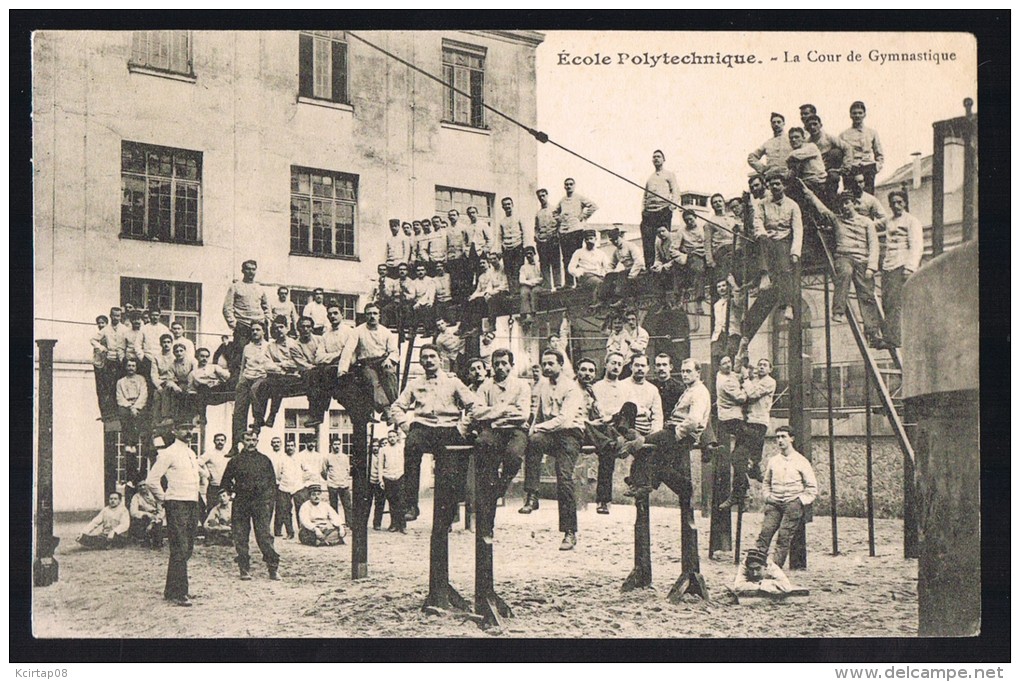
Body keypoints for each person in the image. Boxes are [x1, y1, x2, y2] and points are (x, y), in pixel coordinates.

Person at [390, 344, 476, 523]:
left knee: (450, 468)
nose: (428, 360)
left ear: (440, 359)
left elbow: (474, 406)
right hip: (423, 427)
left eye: (432, 356)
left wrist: (462, 426)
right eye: (424, 357)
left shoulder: (453, 382)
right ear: (420, 361)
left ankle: (451, 510)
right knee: (411, 445)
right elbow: (397, 407)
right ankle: (411, 504)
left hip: (448, 427)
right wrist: (406, 426)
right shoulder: (415, 383)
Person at [522, 349, 586, 550]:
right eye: (544, 364)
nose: (547, 367)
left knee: (564, 477)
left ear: (560, 365)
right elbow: (539, 415)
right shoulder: (542, 386)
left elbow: (564, 420)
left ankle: (569, 532)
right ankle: (532, 495)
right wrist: (533, 428)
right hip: (550, 433)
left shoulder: (571, 388)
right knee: (533, 441)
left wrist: (539, 428)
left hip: (570, 434)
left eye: (551, 364)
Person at [736, 170, 804, 359]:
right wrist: (761, 234)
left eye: (778, 184)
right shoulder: (762, 204)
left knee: (784, 266)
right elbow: (757, 222)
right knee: (763, 242)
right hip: (767, 240)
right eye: (772, 184)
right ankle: (764, 276)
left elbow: (797, 229)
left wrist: (795, 252)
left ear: (783, 186)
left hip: (783, 241)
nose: (775, 187)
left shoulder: (792, 206)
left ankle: (787, 304)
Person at [807, 189, 886, 347]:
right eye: (841, 204)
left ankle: (872, 331)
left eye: (847, 202)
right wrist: (808, 192)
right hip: (845, 257)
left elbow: (874, 245)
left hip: (863, 260)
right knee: (844, 272)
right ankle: (838, 311)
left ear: (854, 204)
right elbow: (821, 208)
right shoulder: (837, 220)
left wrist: (871, 266)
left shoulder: (867, 222)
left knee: (866, 294)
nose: (844, 207)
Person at [468, 348, 531, 539]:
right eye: (496, 364)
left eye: (504, 363)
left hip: (515, 430)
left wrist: (494, 412)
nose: (500, 367)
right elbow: (477, 412)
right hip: (493, 431)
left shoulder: (522, 386)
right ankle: (487, 527)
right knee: (486, 472)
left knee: (513, 456)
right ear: (492, 366)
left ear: (511, 365)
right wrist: (505, 411)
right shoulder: (485, 387)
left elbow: (523, 414)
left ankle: (501, 488)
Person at [626, 358, 710, 498]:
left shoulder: (699, 392)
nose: (684, 374)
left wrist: (677, 433)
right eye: (683, 371)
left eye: (689, 371)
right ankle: (680, 486)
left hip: (681, 434)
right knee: (659, 463)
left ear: (698, 373)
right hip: (677, 432)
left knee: (642, 444)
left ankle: (641, 483)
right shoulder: (691, 389)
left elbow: (694, 420)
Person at [146, 421, 207, 606]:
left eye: (190, 428)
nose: (188, 432)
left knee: (187, 547)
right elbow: (152, 480)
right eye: (184, 428)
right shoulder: (168, 453)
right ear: (174, 431)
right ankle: (181, 592)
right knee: (180, 547)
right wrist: (165, 499)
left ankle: (171, 589)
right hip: (176, 504)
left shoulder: (190, 453)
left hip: (192, 502)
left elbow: (199, 476)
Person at [221, 429, 280, 580]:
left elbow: (272, 484)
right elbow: (225, 482)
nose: (251, 443)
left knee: (264, 536)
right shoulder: (235, 461)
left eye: (254, 440)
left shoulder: (264, 460)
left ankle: (273, 568)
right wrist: (231, 493)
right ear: (242, 442)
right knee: (240, 536)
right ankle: (244, 569)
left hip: (260, 503)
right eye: (248, 440)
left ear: (257, 441)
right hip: (241, 502)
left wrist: (268, 502)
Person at [755, 426, 818, 568]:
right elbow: (766, 482)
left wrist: (799, 501)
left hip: (792, 504)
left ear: (792, 439)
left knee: (783, 538)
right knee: (764, 535)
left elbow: (812, 488)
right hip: (774, 503)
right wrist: (768, 497)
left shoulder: (801, 461)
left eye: (783, 436)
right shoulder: (773, 461)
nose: (780, 440)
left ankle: (774, 570)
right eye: (777, 437)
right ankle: (756, 568)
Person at [584, 353, 637, 514]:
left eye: (619, 364)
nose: (616, 367)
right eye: (613, 363)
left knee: (629, 406)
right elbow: (593, 412)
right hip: (603, 428)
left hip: (620, 424)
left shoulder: (626, 387)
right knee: (608, 454)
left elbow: (633, 409)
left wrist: (615, 417)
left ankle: (619, 434)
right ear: (606, 364)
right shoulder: (596, 386)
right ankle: (604, 500)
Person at [880, 191, 924, 348]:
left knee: (895, 302)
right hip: (888, 265)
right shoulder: (889, 221)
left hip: (901, 264)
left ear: (905, 203)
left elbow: (917, 246)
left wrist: (910, 267)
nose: (896, 206)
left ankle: (893, 338)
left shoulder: (912, 221)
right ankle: (890, 335)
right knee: (886, 301)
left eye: (899, 202)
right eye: (893, 203)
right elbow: (874, 225)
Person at [337, 302, 399, 416]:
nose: (372, 316)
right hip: (366, 363)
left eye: (375, 313)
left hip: (382, 361)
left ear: (379, 315)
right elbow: (348, 350)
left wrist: (389, 360)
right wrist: (342, 370)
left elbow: (394, 351)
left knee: (390, 375)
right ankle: (386, 409)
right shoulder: (358, 331)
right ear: (365, 316)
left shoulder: (386, 332)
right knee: (372, 380)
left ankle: (395, 407)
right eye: (369, 314)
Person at [731, 358, 777, 495]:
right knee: (736, 457)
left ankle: (752, 471)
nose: (761, 367)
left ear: (770, 369)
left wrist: (745, 379)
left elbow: (752, 394)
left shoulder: (769, 382)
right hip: (747, 421)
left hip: (758, 422)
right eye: (760, 364)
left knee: (741, 456)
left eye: (765, 365)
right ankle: (744, 484)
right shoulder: (754, 381)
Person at [252, 316, 303, 430]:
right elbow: (266, 364)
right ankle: (259, 418)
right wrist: (280, 368)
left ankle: (272, 415)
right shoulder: (271, 346)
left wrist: (281, 364)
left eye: (281, 327)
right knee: (261, 386)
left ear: (287, 328)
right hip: (276, 376)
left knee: (277, 383)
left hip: (293, 377)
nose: (278, 330)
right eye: (275, 328)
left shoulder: (294, 344)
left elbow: (297, 362)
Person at [222, 260, 270, 376]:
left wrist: (267, 320)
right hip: (243, 327)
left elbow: (266, 307)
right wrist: (235, 324)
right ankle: (239, 386)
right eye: (248, 269)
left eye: (253, 269)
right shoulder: (235, 287)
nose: (251, 272)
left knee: (263, 354)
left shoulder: (259, 288)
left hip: (259, 326)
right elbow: (227, 308)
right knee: (241, 357)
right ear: (242, 270)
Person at [715, 356, 750, 510]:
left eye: (729, 362)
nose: (728, 365)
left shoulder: (724, 376)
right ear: (719, 366)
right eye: (724, 363)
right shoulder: (726, 382)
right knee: (738, 458)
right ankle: (742, 492)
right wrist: (747, 384)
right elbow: (741, 398)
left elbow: (736, 372)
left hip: (727, 418)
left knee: (738, 458)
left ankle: (743, 491)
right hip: (732, 419)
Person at [639, 148, 680, 268]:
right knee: (648, 241)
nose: (656, 158)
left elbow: (676, 191)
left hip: (663, 211)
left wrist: (672, 206)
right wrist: (643, 209)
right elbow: (645, 196)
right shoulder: (650, 178)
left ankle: (666, 266)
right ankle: (650, 268)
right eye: (654, 157)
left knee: (663, 239)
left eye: (658, 156)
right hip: (649, 213)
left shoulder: (669, 175)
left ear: (663, 159)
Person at [231, 322, 270, 446]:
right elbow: (243, 366)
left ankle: (257, 423)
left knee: (255, 390)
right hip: (247, 377)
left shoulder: (269, 346)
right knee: (238, 410)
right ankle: (237, 442)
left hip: (261, 377)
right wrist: (240, 381)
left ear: (264, 331)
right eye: (253, 330)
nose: (254, 332)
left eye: (258, 330)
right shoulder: (247, 347)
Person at [554, 178, 598, 280]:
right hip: (564, 232)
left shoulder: (579, 197)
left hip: (576, 230)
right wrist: (560, 219)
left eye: (571, 184)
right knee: (566, 258)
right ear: (564, 186)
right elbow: (555, 213)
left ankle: (579, 281)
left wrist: (582, 216)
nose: (569, 186)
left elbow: (593, 206)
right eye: (567, 184)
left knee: (577, 256)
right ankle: (569, 283)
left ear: (574, 186)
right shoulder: (562, 200)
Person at [804, 114, 851, 206]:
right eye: (809, 125)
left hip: (830, 169)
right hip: (816, 171)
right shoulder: (807, 142)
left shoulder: (829, 138)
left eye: (815, 124)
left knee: (836, 152)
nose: (813, 127)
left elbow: (847, 148)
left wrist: (845, 167)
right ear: (806, 128)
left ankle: (833, 204)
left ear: (820, 125)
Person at [839, 100, 884, 194]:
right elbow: (840, 154)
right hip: (852, 168)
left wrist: (877, 167)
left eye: (860, 113)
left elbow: (879, 153)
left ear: (864, 115)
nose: (857, 116)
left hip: (868, 167)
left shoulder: (872, 133)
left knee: (868, 196)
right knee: (850, 196)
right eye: (854, 113)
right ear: (850, 115)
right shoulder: (844, 135)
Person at [598, 228, 645, 309]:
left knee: (622, 273)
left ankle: (621, 298)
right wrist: (608, 272)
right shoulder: (616, 251)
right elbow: (611, 265)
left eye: (616, 239)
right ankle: (602, 300)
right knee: (609, 275)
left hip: (637, 270)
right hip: (627, 271)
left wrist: (632, 275)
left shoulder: (630, 246)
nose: (615, 242)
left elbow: (639, 261)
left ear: (620, 237)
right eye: (612, 241)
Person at [463, 257, 509, 336]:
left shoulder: (493, 273)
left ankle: (488, 325)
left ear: (488, 264)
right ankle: (467, 327)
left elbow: (494, 287)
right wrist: (472, 296)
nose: (482, 265)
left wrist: (487, 294)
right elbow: (479, 289)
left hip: (498, 292)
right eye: (480, 263)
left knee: (483, 301)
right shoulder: (481, 276)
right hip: (489, 293)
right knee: (469, 301)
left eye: (483, 263)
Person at [705, 193, 741, 289]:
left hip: (735, 245)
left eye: (720, 201)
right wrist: (710, 261)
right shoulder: (710, 222)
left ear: (724, 203)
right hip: (721, 249)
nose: (718, 204)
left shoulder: (732, 218)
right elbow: (707, 243)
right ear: (712, 206)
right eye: (715, 202)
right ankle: (730, 279)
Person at [186, 347, 231, 424]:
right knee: (202, 387)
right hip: (206, 393)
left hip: (219, 390)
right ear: (197, 357)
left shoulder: (214, 367)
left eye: (207, 357)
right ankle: (202, 417)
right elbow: (191, 390)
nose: (204, 359)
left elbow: (228, 376)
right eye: (202, 356)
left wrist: (219, 380)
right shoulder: (193, 373)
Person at [674, 210, 708, 309]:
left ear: (695, 217)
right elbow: (673, 248)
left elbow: (707, 243)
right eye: (686, 220)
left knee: (699, 270)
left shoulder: (703, 228)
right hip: (687, 256)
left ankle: (699, 302)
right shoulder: (681, 231)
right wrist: (682, 257)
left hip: (701, 254)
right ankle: (678, 299)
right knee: (676, 268)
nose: (689, 222)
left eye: (690, 219)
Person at [115, 358, 148, 453]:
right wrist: (130, 406)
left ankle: (134, 443)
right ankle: (128, 444)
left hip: (138, 404)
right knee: (124, 417)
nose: (131, 368)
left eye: (133, 366)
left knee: (138, 420)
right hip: (126, 404)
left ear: (136, 367)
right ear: (126, 367)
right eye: (129, 366)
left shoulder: (141, 379)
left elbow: (143, 394)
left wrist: (136, 407)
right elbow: (119, 397)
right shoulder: (120, 382)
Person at [785, 126, 828, 198]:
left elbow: (793, 155)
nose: (793, 140)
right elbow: (791, 173)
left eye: (797, 137)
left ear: (803, 138)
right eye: (791, 138)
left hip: (817, 182)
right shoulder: (794, 154)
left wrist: (788, 159)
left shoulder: (811, 147)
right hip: (805, 183)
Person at [567, 230, 609, 302]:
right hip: (586, 277)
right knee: (599, 284)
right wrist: (579, 273)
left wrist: (606, 274)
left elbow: (608, 267)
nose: (589, 241)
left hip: (599, 276)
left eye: (591, 238)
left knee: (608, 284)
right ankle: (596, 303)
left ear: (595, 239)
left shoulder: (601, 253)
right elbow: (571, 268)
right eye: (587, 239)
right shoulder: (579, 252)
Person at [378, 431, 406, 533]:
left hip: (400, 476)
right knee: (392, 502)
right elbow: (380, 466)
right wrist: (381, 480)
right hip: (388, 477)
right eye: (390, 437)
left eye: (394, 436)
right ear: (388, 438)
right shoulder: (383, 450)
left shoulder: (402, 448)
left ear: (397, 437)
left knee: (401, 502)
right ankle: (393, 524)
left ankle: (402, 525)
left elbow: (406, 463)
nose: (392, 438)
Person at [534, 188, 562, 290]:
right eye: (539, 197)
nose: (541, 198)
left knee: (555, 263)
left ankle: (558, 285)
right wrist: (537, 237)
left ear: (547, 195)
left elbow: (560, 224)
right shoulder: (538, 213)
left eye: (543, 195)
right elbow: (536, 228)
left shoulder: (554, 210)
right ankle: (547, 286)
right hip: (542, 242)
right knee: (544, 264)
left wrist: (557, 235)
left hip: (553, 240)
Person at [274, 440, 303, 539]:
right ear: (285, 447)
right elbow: (278, 475)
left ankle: (302, 531)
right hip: (284, 488)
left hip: (298, 487)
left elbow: (306, 470)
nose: (290, 447)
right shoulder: (281, 459)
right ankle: (290, 532)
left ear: (295, 447)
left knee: (300, 510)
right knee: (285, 511)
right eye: (288, 445)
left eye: (292, 445)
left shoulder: (299, 458)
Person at [711, 280, 743, 366]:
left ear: (728, 287)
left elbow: (739, 302)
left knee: (731, 358)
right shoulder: (716, 304)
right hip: (718, 335)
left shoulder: (734, 301)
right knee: (716, 359)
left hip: (732, 333)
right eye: (719, 287)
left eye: (723, 285)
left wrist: (733, 284)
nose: (721, 288)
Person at [199, 432, 232, 514]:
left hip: (226, 487)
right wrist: (206, 474)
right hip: (214, 487)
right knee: (212, 510)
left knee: (226, 511)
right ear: (214, 441)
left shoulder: (228, 454)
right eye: (217, 440)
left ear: (225, 441)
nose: (220, 442)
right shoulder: (209, 453)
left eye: (222, 440)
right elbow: (197, 464)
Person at [497, 197, 524, 291]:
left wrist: (524, 247)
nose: (507, 206)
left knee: (518, 270)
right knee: (509, 271)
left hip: (518, 246)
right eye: (505, 205)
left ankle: (519, 291)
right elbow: (499, 237)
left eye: (509, 204)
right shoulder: (502, 222)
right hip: (507, 249)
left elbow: (524, 232)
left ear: (512, 205)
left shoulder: (518, 218)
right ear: (502, 207)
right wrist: (500, 249)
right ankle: (512, 291)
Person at [324, 439, 352, 527]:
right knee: (333, 506)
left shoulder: (344, 457)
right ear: (331, 445)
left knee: (347, 505)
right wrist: (329, 479)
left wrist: (344, 479)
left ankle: (350, 523)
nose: (337, 446)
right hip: (332, 485)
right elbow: (323, 471)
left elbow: (348, 470)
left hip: (344, 484)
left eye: (338, 444)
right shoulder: (327, 457)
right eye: (335, 444)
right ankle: (336, 524)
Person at [129, 482, 165, 548]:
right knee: (145, 518)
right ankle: (146, 540)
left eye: (144, 485)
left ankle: (157, 542)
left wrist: (155, 519)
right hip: (145, 517)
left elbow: (161, 510)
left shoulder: (155, 495)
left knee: (158, 521)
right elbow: (133, 512)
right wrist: (148, 514)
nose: (142, 487)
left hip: (157, 516)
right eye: (140, 486)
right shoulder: (136, 497)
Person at [90, 315, 112, 417]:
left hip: (108, 364)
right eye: (99, 323)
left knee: (108, 387)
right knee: (100, 388)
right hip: (99, 364)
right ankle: (103, 411)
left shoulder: (109, 334)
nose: (100, 325)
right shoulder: (97, 336)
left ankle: (109, 410)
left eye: (103, 322)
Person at [650, 353, 683, 419]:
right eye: (658, 365)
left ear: (670, 367)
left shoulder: (679, 387)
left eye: (664, 365)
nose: (661, 368)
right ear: (654, 368)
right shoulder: (650, 386)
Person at [518, 246, 543, 323]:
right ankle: (527, 314)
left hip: (538, 285)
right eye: (527, 254)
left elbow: (542, 278)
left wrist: (534, 282)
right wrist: (529, 283)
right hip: (527, 285)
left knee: (535, 292)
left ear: (534, 254)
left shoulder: (539, 265)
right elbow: (521, 280)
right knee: (524, 292)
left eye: (530, 254)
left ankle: (533, 313)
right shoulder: (523, 267)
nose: (529, 256)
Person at [368, 439, 388, 531]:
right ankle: (364, 523)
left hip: (379, 482)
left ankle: (377, 523)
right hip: (369, 483)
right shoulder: (368, 457)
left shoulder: (382, 456)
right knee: (367, 504)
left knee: (379, 504)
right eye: (373, 446)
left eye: (377, 446)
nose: (375, 448)